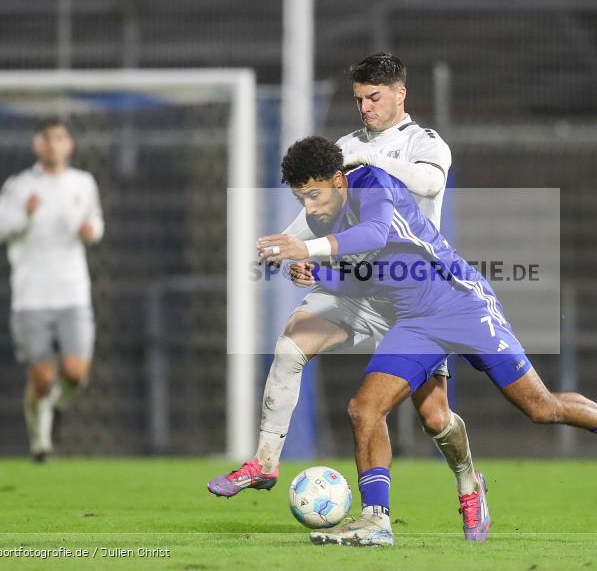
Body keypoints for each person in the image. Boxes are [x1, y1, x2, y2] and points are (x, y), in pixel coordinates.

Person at [257, 136, 597, 547]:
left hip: (461, 305)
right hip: (416, 322)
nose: (310, 208)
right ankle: (375, 520)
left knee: (539, 407)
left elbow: (378, 234)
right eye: (302, 200)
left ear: (336, 177)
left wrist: (307, 249)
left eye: (313, 195)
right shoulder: (332, 217)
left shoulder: (372, 182)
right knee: (364, 408)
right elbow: (378, 279)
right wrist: (322, 275)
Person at [208, 54, 490, 541]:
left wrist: (374, 159)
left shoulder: (425, 144)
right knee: (290, 345)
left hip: (413, 297)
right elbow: (320, 211)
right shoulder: (345, 147)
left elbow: (430, 183)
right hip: (353, 285)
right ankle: (265, 462)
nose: (365, 107)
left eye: (374, 97)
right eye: (359, 98)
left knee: (434, 416)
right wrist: (289, 248)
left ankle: (469, 480)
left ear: (401, 94)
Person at [0, 118, 104, 463]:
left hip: (72, 291)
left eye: (60, 138)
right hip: (31, 294)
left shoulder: (83, 182)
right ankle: (41, 442)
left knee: (75, 373)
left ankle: (52, 406)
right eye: (47, 139)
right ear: (37, 146)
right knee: (41, 376)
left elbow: (96, 222)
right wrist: (24, 216)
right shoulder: (19, 186)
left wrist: (90, 230)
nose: (54, 144)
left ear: (70, 145)